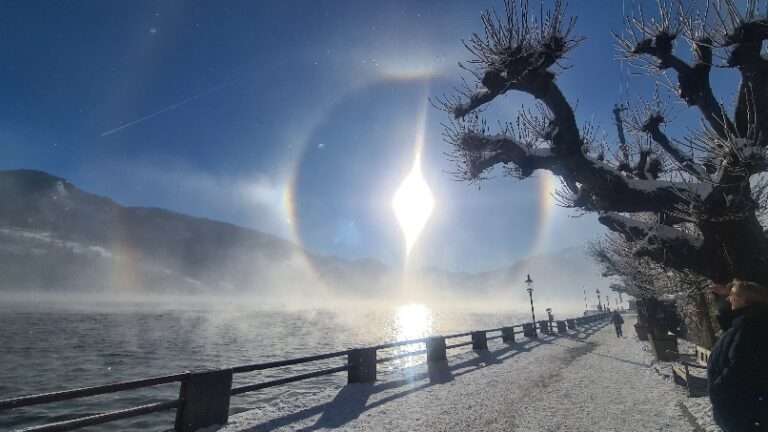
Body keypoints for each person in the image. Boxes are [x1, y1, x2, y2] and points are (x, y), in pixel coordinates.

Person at [707, 281, 768, 431]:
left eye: (732, 296)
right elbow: (729, 322)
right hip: (740, 409)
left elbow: (741, 367)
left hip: (743, 410)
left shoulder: (751, 327)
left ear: (744, 300)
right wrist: (720, 296)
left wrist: (718, 390)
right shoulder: (747, 322)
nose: (728, 299)